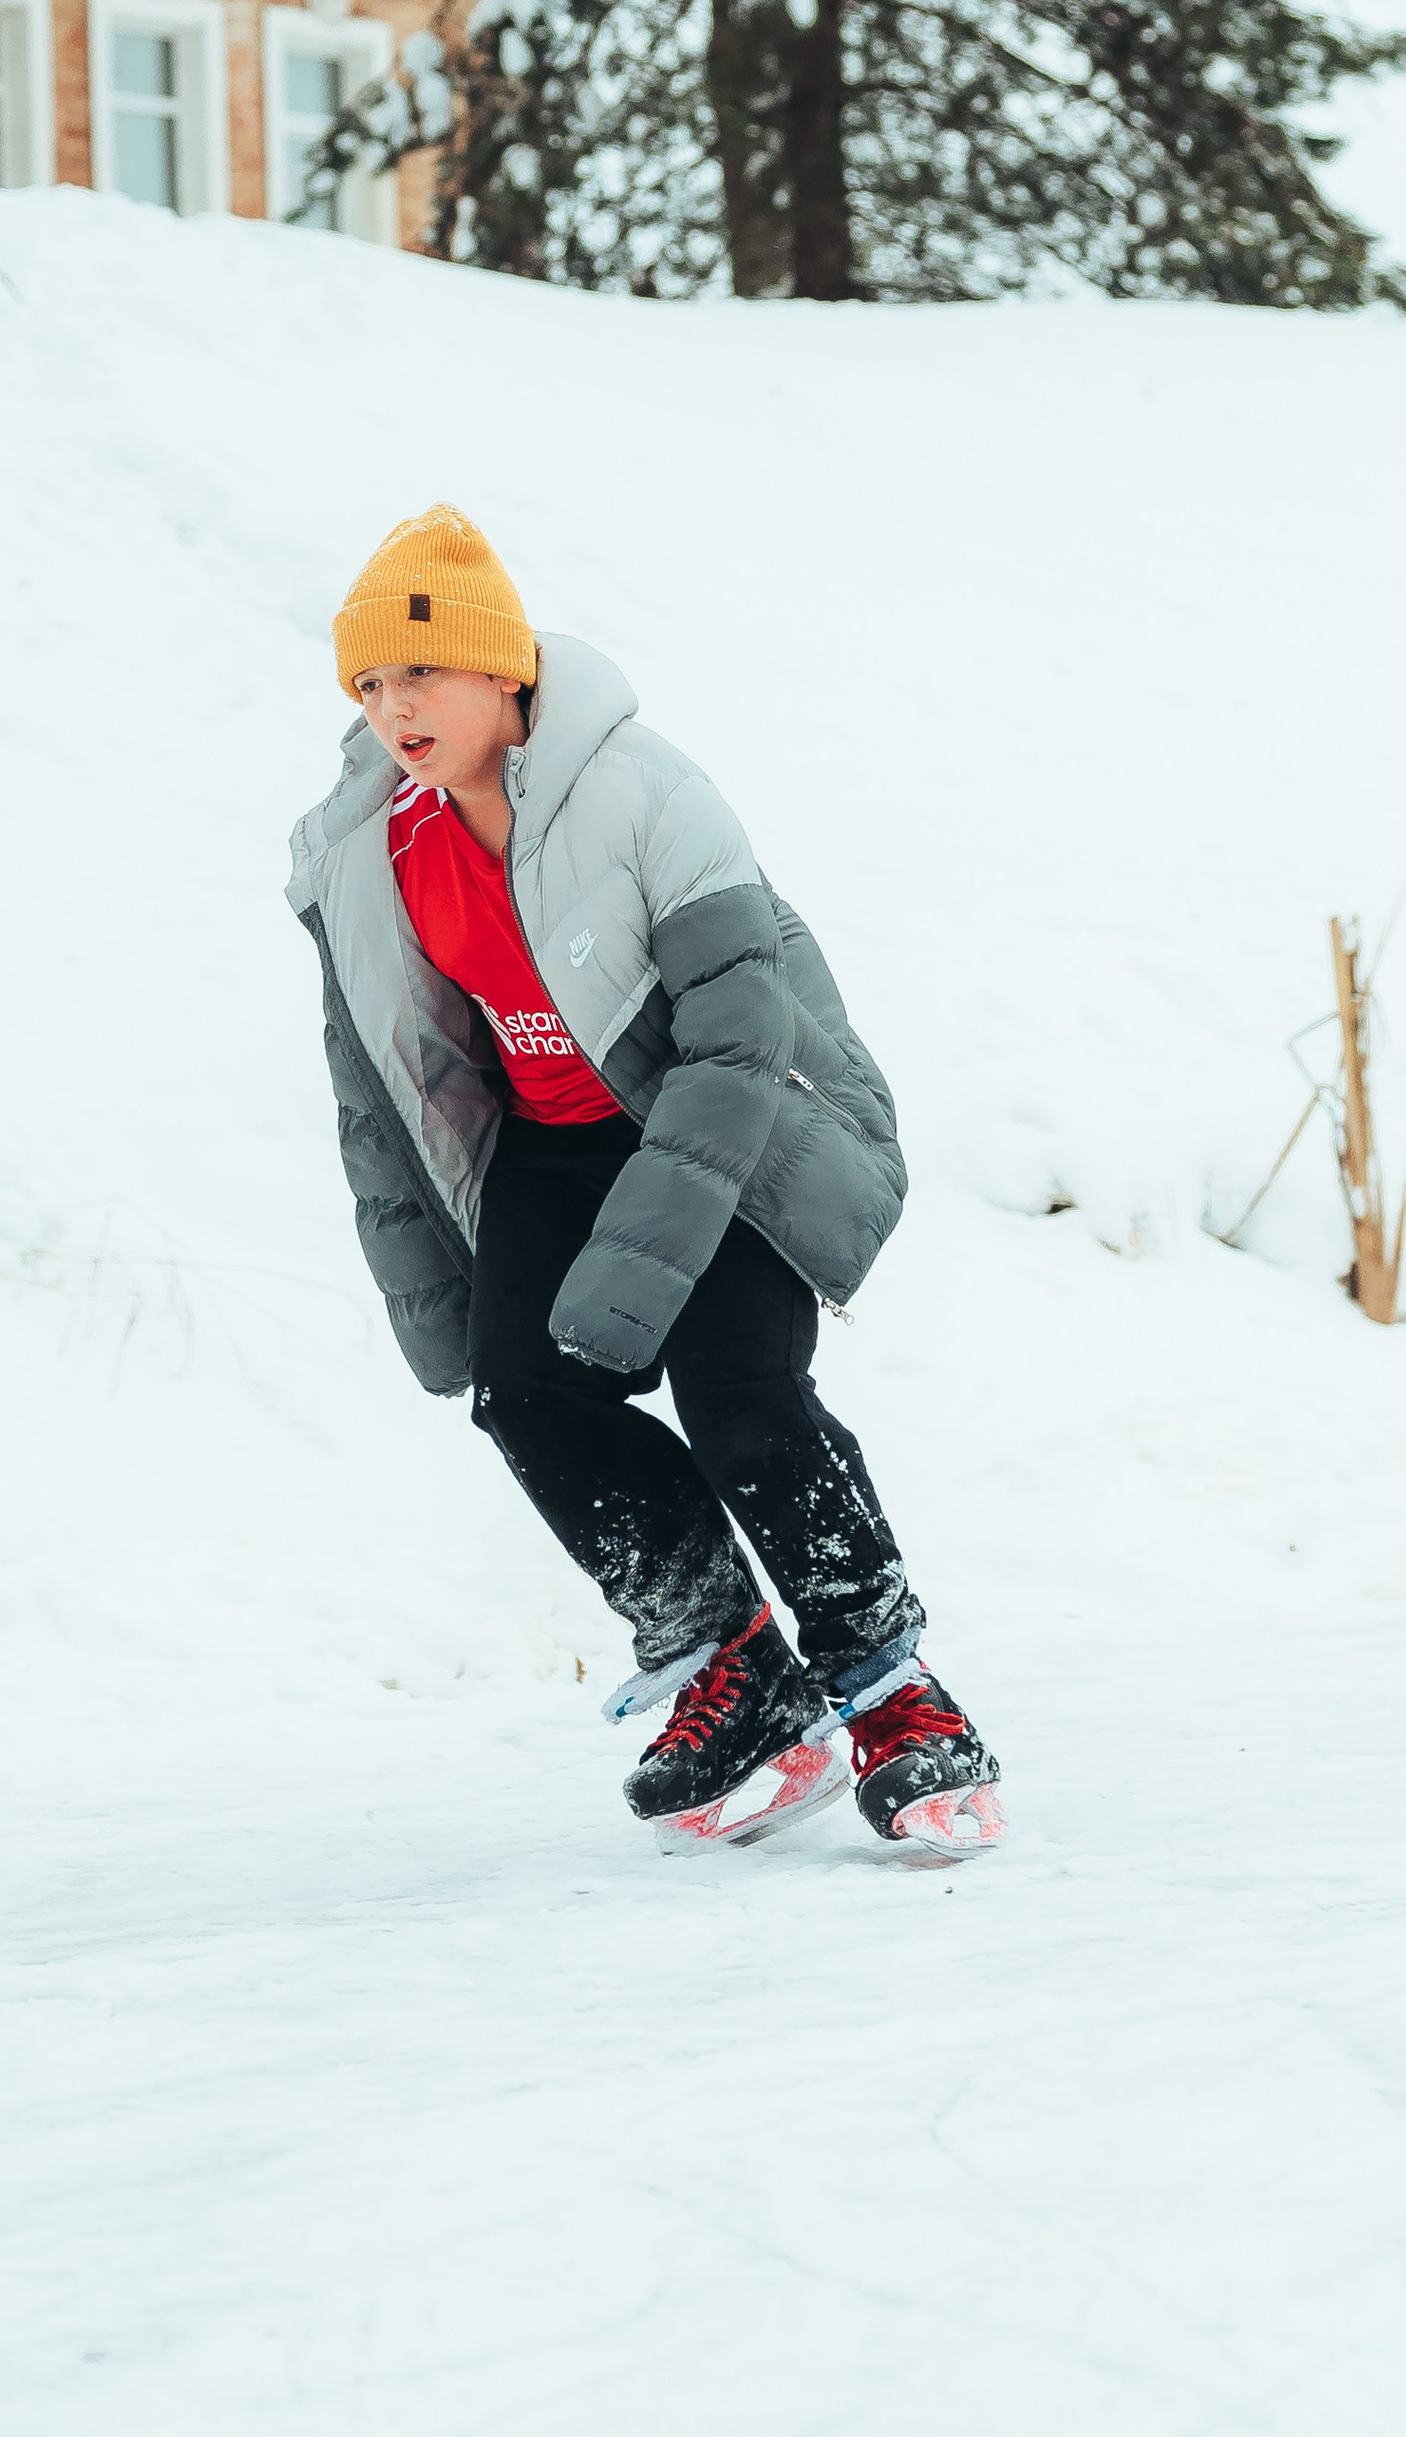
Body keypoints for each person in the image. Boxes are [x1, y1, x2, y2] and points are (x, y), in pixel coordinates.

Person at [286, 503, 1001, 1861]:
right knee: (528, 1394)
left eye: (421, 673)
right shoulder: (369, 850)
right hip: (553, 1145)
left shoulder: (645, 794)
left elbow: (743, 1036)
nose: (396, 707)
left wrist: (650, 1251)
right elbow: (379, 1087)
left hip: (727, 1117)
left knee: (738, 1397)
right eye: (370, 683)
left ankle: (893, 1688)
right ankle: (731, 1665)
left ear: (503, 669)